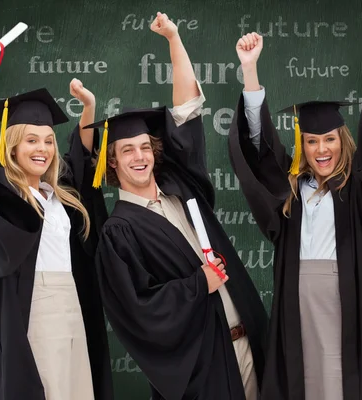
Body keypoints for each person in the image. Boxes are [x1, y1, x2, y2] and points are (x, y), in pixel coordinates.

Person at [228, 23, 362, 400]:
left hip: (345, 295)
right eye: (311, 141)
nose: (321, 149)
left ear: (342, 139)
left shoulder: (357, 190)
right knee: (305, 377)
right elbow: (259, 153)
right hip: (297, 295)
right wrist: (250, 70)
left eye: (329, 139)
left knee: (339, 378)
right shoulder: (290, 189)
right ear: (303, 144)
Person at [90, 12, 268, 400]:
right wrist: (196, 285)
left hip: (251, 346)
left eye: (144, 147)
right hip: (204, 365)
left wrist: (174, 39)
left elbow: (186, 111)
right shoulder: (118, 233)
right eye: (126, 150)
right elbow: (136, 311)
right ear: (112, 162)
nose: (139, 157)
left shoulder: (181, 189)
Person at [0, 49, 113, 400]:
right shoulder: (6, 193)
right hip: (34, 306)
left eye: (47, 141)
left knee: (76, 388)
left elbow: (83, 157)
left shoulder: (58, 192)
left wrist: (89, 107)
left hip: (73, 301)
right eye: (31, 140)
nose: (42, 149)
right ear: (12, 147)